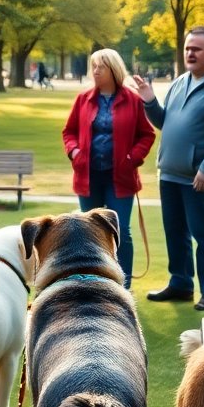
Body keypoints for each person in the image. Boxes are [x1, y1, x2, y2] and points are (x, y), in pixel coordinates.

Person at [131, 26, 204, 311]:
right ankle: (181, 283)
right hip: (170, 172)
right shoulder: (179, 82)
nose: (190, 53)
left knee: (202, 232)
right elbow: (165, 122)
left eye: (197, 49)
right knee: (175, 231)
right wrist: (149, 100)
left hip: (199, 176)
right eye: (188, 48)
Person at [62, 48, 156, 288]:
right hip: (88, 177)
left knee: (120, 232)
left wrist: (132, 158)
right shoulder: (83, 99)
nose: (95, 71)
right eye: (93, 66)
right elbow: (69, 131)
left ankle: (123, 288)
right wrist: (74, 151)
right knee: (89, 232)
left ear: (113, 69)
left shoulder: (132, 100)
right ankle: (92, 285)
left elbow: (146, 134)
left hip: (120, 178)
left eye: (100, 67)